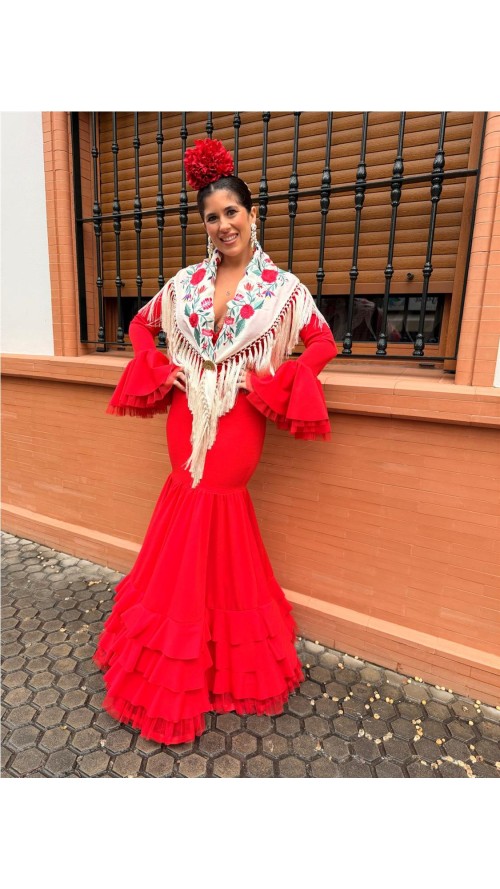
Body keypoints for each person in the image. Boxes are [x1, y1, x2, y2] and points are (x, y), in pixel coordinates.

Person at [93, 138, 338, 746]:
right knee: (184, 507)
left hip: (238, 418)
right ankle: (178, 651)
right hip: (187, 415)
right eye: (212, 216)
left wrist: (284, 378)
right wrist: (156, 366)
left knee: (219, 508)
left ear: (252, 215)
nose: (223, 224)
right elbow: (138, 325)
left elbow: (324, 342)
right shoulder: (184, 283)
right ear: (203, 225)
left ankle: (217, 654)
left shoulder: (282, 288)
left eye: (232, 212)